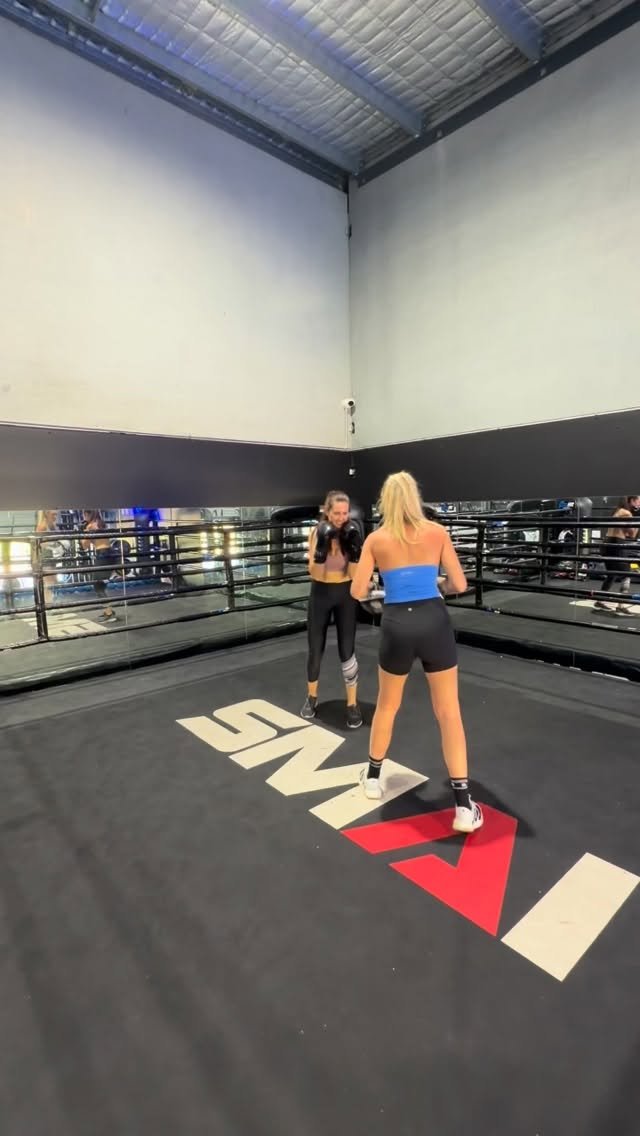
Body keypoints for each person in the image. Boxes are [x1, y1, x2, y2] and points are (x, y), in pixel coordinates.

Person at [350, 471, 482, 834]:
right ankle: (463, 806)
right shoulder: (437, 532)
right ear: (414, 498)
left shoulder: (376, 539)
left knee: (387, 706)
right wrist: (435, 583)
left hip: (397, 623)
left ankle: (373, 778)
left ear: (386, 501)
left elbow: (357, 591)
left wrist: (384, 587)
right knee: (449, 712)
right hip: (434, 621)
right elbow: (459, 583)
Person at [301, 490, 363, 729]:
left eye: (345, 513)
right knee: (315, 649)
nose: (341, 517)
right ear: (327, 512)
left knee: (347, 650)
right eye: (336, 513)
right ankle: (311, 696)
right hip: (321, 593)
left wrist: (354, 553)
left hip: (345, 594)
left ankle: (352, 704)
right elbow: (315, 573)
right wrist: (321, 549)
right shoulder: (317, 532)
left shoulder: (351, 532)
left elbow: (354, 575)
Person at [594, 496, 639, 615]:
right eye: (638, 501)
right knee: (627, 574)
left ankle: (599, 600)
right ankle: (621, 605)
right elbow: (632, 534)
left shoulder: (617, 511)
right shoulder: (627, 513)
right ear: (632, 501)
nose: (639, 503)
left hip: (607, 543)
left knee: (612, 574)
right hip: (616, 543)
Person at [81, 510, 118, 623]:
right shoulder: (101, 523)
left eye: (84, 514)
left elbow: (85, 546)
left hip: (102, 556)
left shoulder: (91, 526)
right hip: (109, 553)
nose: (83, 517)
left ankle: (110, 613)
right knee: (101, 585)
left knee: (98, 586)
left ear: (87, 514)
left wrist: (83, 533)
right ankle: (108, 610)